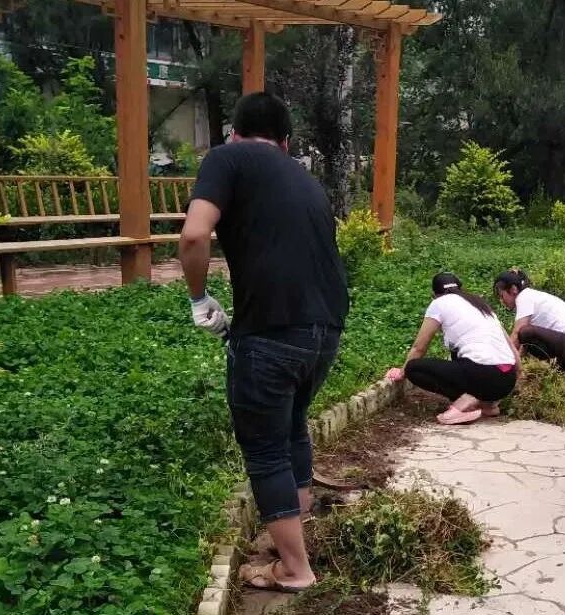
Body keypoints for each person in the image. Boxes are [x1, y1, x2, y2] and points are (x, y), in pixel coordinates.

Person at [179, 92, 348, 593]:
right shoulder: (305, 177)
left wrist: (198, 298)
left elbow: (194, 236)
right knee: (292, 425)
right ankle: (295, 531)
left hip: (272, 331)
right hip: (325, 331)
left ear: (234, 133)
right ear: (286, 142)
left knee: (266, 449)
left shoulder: (226, 158)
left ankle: (295, 569)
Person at [386, 273, 520, 425]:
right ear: (460, 289)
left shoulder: (439, 303)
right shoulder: (480, 304)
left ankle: (464, 404)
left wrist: (402, 372)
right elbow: (510, 346)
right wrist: (517, 376)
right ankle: (487, 405)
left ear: (434, 295)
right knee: (458, 354)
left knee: (414, 368)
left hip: (483, 375)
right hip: (507, 379)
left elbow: (419, 348)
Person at [494, 269, 565, 372]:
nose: (502, 301)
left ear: (513, 289)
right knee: (527, 337)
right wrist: (520, 366)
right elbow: (525, 344)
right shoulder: (532, 296)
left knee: (525, 332)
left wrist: (502, 363)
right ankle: (560, 372)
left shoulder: (524, 297)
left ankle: (558, 368)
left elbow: (517, 334)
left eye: (502, 296)